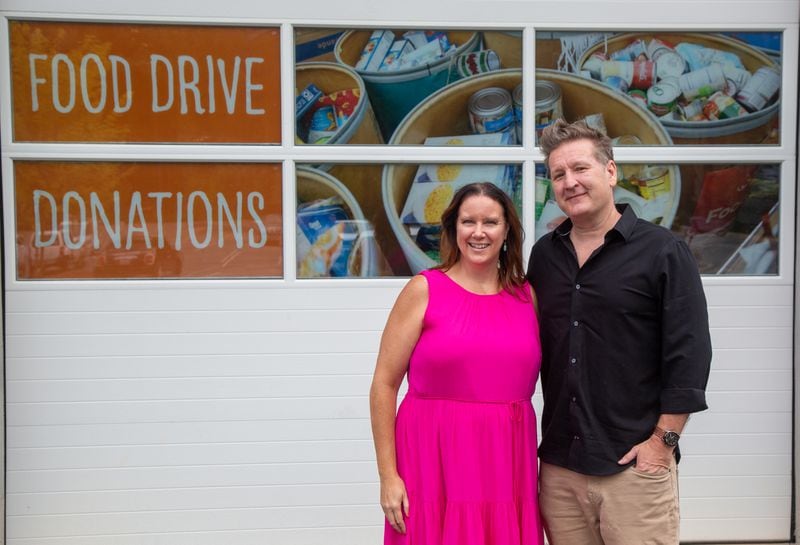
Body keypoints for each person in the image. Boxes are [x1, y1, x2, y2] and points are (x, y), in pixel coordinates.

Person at [527, 118, 712, 545]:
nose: (570, 182)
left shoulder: (663, 251)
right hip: (560, 468)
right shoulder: (544, 256)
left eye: (580, 168)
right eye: (558, 174)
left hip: (633, 465)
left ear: (610, 171)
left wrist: (662, 442)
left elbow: (690, 355)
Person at [370, 182, 545, 545]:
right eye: (468, 221)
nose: (478, 232)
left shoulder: (527, 297)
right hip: (432, 461)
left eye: (490, 222)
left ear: (507, 230)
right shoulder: (424, 290)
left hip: (506, 460)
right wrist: (389, 476)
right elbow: (384, 385)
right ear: (453, 229)